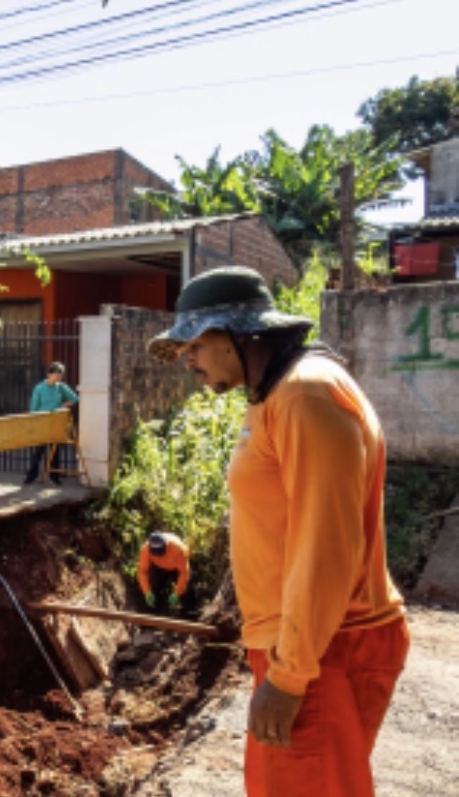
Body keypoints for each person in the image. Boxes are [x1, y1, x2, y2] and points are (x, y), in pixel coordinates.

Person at [148, 266, 408, 797]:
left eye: (194, 344)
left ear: (237, 334)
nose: (189, 360)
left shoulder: (305, 396)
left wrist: (289, 678)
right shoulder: (280, 395)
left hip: (324, 650)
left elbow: (326, 546)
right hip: (310, 645)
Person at [24, 361, 78, 484]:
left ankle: (55, 477)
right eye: (56, 375)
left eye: (60, 375)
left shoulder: (61, 387)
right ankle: (31, 476)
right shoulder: (39, 388)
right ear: (49, 374)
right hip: (42, 422)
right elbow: (33, 408)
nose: (58, 378)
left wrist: (64, 404)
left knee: (55, 451)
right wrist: (34, 422)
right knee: (38, 451)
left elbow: (75, 398)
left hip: (56, 423)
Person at [136, 531, 189, 613]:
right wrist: (147, 592)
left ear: (166, 545)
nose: (158, 556)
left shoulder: (179, 549)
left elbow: (183, 573)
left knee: (186, 590)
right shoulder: (145, 550)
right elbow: (142, 571)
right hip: (157, 567)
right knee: (152, 585)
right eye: (155, 553)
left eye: (160, 552)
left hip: (175, 568)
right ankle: (153, 612)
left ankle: (187, 612)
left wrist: (177, 592)